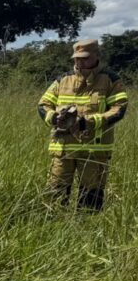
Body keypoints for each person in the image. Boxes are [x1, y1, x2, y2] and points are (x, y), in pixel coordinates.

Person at [38, 39, 127, 210]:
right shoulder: (62, 80)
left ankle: (86, 229)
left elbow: (119, 109)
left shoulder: (110, 80)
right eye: (77, 58)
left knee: (91, 198)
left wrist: (88, 122)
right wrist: (54, 118)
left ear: (97, 56)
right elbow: (43, 105)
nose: (80, 62)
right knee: (55, 193)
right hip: (63, 148)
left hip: (94, 150)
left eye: (85, 58)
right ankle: (55, 225)